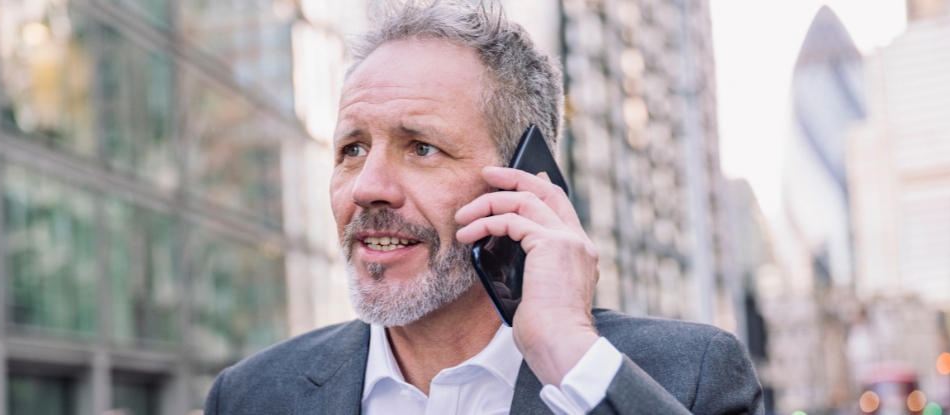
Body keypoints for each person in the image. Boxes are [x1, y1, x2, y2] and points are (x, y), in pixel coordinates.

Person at [204, 1, 764, 414]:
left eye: (421, 147)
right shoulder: (250, 396)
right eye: (352, 149)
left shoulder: (691, 375)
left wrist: (567, 353)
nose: (367, 187)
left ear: (527, 183)